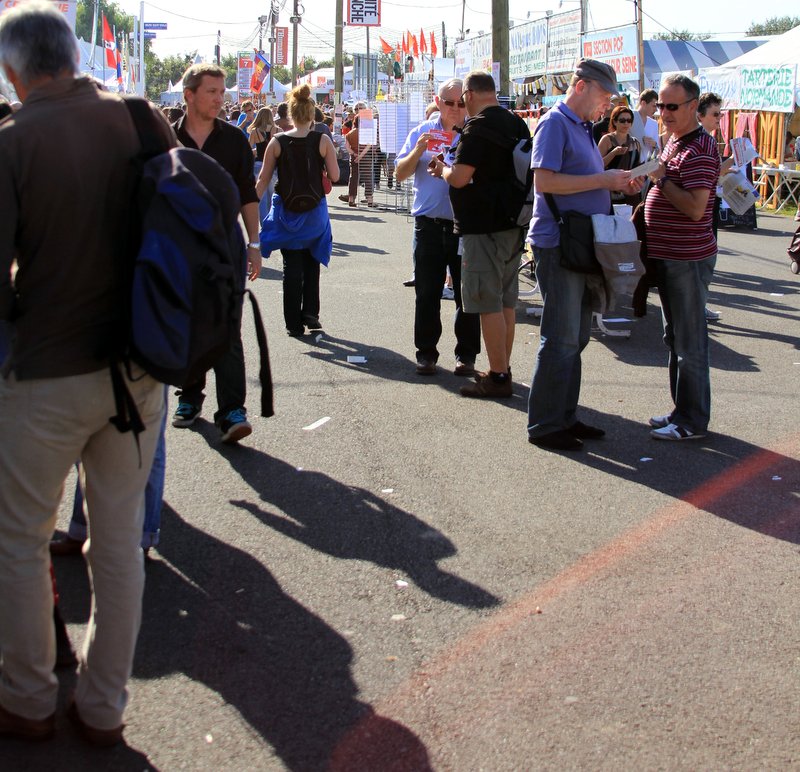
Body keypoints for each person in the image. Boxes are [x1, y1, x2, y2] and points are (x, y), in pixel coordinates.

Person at [0, 1, 173, 744]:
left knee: (19, 541)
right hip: (139, 370)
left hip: (45, 372)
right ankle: (103, 707)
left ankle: (29, 697)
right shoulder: (139, 117)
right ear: (72, 56)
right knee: (119, 540)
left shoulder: (13, 142)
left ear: (14, 72)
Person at [526, 59, 641, 451]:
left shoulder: (579, 126)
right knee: (560, 337)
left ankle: (563, 416)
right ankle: (544, 425)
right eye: (604, 94)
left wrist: (616, 184)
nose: (608, 104)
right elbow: (544, 180)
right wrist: (604, 180)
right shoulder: (555, 122)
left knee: (575, 336)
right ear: (581, 86)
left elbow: (578, 182)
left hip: (578, 242)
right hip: (558, 241)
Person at [171, 63, 262, 443]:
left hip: (225, 245)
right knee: (187, 324)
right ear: (189, 95)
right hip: (178, 248)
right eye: (211, 91)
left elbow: (247, 193)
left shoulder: (235, 140)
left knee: (227, 325)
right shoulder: (167, 139)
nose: (220, 99)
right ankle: (190, 396)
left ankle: (232, 410)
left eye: (222, 92)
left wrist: (254, 243)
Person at [429, 70, 531, 399]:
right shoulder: (516, 122)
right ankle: (503, 368)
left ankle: (498, 376)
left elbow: (459, 177)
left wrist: (440, 169)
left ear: (471, 94)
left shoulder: (478, 126)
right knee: (506, 302)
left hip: (483, 226)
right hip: (513, 223)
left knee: (488, 303)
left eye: (463, 99)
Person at [645, 74, 720, 441]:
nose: (664, 112)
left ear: (693, 106)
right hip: (669, 256)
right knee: (675, 339)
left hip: (687, 259)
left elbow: (694, 208)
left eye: (671, 106)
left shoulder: (701, 148)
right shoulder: (676, 140)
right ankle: (681, 411)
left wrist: (659, 181)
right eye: (660, 105)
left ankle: (692, 420)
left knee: (690, 343)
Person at [395, 77, 481, 377]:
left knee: (466, 294)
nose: (456, 109)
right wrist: (419, 151)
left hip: (464, 225)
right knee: (427, 292)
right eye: (449, 102)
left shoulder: (474, 132)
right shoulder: (422, 130)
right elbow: (400, 174)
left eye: (461, 102)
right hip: (428, 224)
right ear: (438, 101)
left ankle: (466, 356)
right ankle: (426, 354)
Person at [257, 84, 339, 336]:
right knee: (312, 261)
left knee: (291, 266)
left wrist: (246, 209)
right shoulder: (322, 140)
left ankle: (293, 322)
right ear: (312, 114)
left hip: (287, 212)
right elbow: (334, 176)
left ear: (290, 114)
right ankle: (311, 313)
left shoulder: (277, 141)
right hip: (314, 212)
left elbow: (263, 180)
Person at [697, 92, 735, 322]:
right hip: (699, 208)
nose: (718, 119)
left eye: (720, 114)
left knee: (706, 261)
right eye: (715, 114)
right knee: (703, 261)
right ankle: (696, 307)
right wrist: (730, 163)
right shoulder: (699, 139)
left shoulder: (707, 139)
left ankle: (699, 305)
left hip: (709, 203)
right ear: (700, 115)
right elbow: (709, 173)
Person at [597, 104, 642, 207]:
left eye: (629, 120)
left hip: (629, 193)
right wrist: (613, 153)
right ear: (615, 121)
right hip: (609, 193)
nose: (626, 123)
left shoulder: (635, 143)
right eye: (622, 120)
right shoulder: (607, 140)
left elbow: (637, 167)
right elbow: (597, 165)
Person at [631, 89, 660, 158]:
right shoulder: (629, 117)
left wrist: (654, 145)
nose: (656, 109)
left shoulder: (654, 124)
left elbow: (658, 150)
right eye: (654, 106)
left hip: (646, 166)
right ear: (643, 103)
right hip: (630, 165)